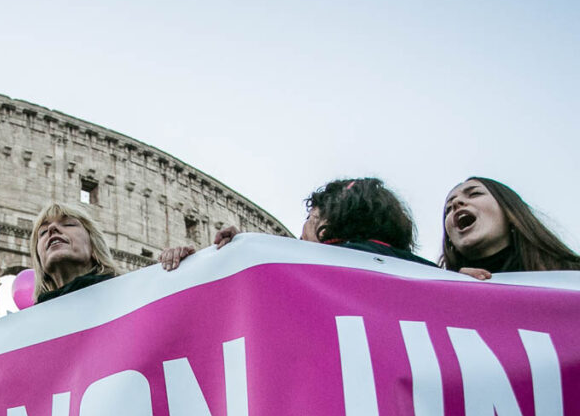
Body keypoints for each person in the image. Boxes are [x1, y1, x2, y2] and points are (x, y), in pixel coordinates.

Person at [0, 202, 120, 351]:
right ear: (39, 261)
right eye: (43, 232)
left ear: (95, 247)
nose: (52, 229)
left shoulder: (128, 298)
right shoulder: (27, 327)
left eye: (68, 224)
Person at [160, 177, 435, 269]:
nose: (300, 232)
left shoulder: (314, 269)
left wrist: (239, 256)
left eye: (309, 218)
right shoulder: (435, 276)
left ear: (331, 218)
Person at [442, 176, 580, 278]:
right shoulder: (439, 291)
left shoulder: (573, 276)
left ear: (510, 212)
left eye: (474, 194)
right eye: (448, 208)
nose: (456, 203)